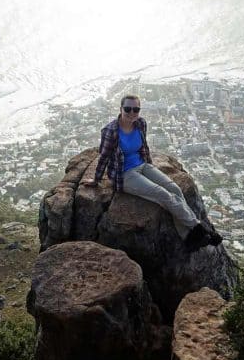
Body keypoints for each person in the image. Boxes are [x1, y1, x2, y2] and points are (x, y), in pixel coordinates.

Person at [80, 94, 222, 251]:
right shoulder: (111, 131)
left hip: (143, 165)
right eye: (128, 109)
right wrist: (96, 179)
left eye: (136, 109)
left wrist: (150, 167)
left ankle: (188, 237)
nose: (132, 113)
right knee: (162, 194)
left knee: (174, 188)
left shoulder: (140, 123)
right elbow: (104, 157)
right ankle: (199, 229)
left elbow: (144, 147)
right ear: (120, 109)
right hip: (124, 174)